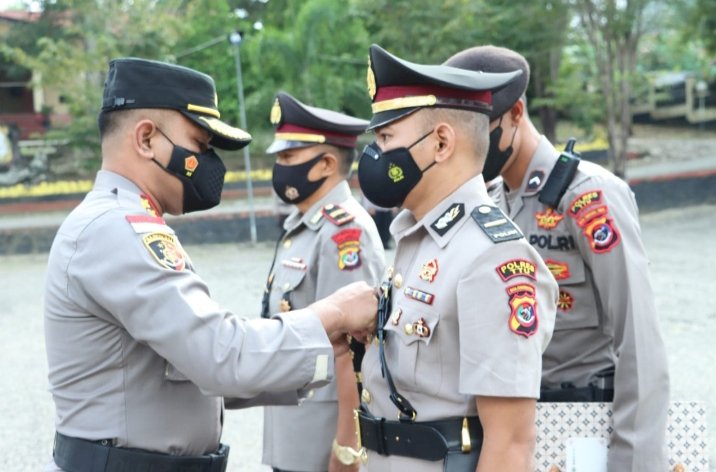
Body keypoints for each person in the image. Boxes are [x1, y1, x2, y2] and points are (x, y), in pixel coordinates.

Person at [43, 58, 378, 472]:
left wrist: (325, 347)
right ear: (146, 138)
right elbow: (221, 355)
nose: (208, 162)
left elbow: (192, 366)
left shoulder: (125, 223)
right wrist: (335, 312)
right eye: (200, 146)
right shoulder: (116, 229)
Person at [444, 45, 670, 471]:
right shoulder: (489, 201)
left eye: (482, 127)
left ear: (515, 114)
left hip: (586, 429)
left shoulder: (587, 197)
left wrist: (633, 462)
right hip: (511, 436)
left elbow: (639, 339)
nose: (472, 143)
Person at [345, 44, 558, 472]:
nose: (375, 155)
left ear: (441, 142)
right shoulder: (418, 237)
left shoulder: (492, 256)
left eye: (386, 139)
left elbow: (511, 444)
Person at [260, 92, 386, 472]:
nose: (280, 168)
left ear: (326, 163)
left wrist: (348, 448)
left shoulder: (343, 233)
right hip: (295, 435)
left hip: (324, 443)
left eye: (288, 158)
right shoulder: (303, 227)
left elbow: (355, 350)